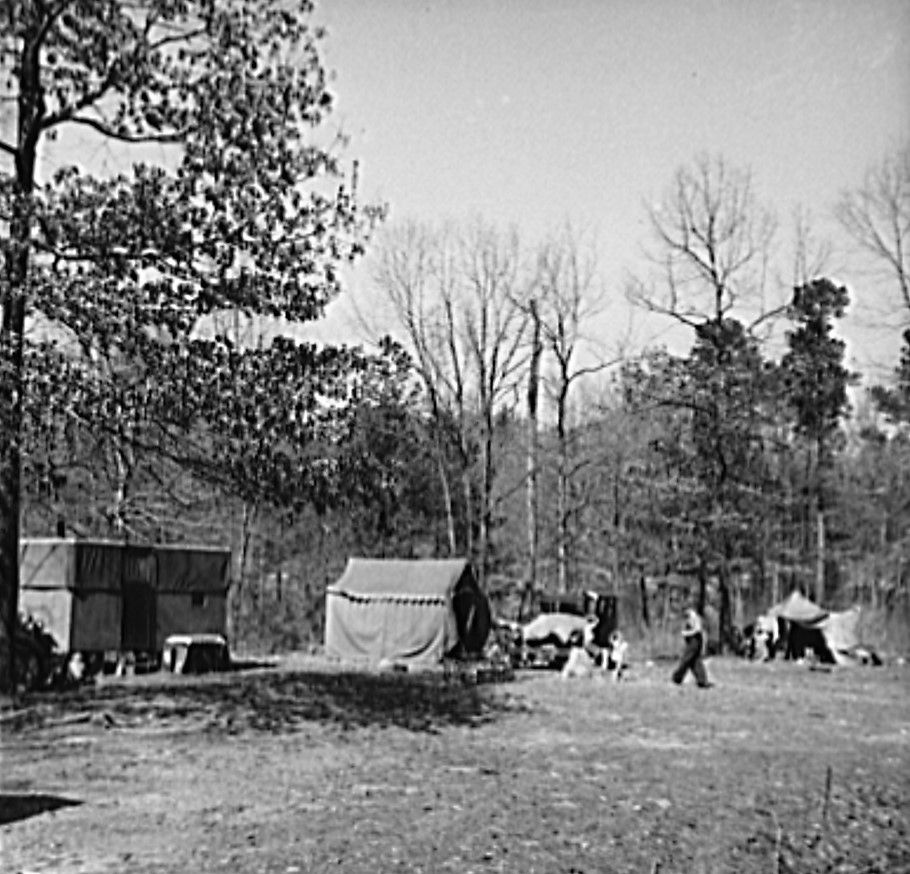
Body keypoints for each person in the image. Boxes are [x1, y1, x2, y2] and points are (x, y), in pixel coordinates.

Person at [671, 607, 712, 688]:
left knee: (686, 660)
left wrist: (686, 633)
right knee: (695, 662)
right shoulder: (690, 618)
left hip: (694, 642)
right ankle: (702, 681)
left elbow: (697, 630)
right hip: (693, 642)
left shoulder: (695, 618)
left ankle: (677, 677)